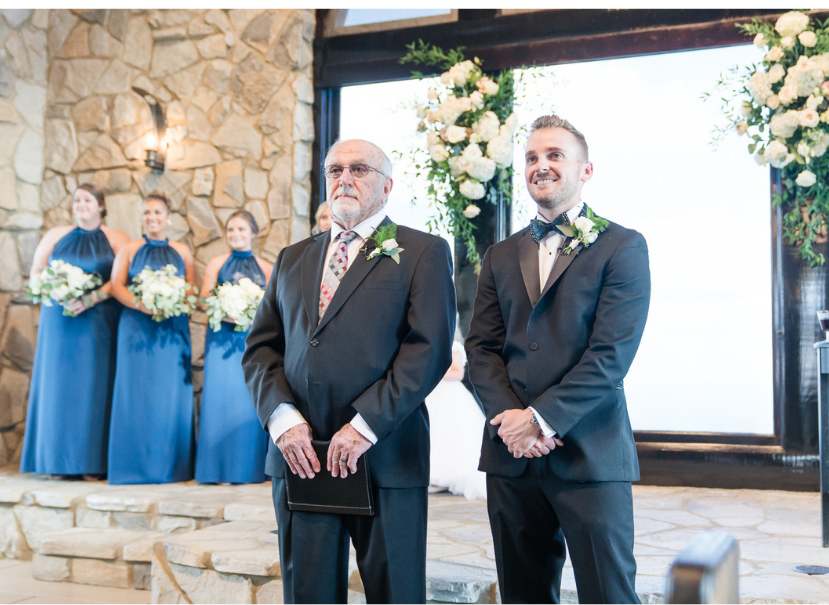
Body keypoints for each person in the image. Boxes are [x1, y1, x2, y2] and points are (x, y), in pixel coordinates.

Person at [243, 136, 456, 604]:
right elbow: (261, 349)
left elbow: (429, 350)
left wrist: (364, 426)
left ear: (387, 186)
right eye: (335, 170)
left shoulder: (423, 251)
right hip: (302, 457)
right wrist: (282, 421)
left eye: (358, 170)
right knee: (308, 594)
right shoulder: (293, 257)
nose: (344, 178)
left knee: (394, 593)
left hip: (384, 455)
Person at [466, 114, 651, 605]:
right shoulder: (500, 255)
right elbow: (480, 348)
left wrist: (541, 421)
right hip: (511, 458)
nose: (540, 166)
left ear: (585, 170)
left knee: (608, 596)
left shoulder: (623, 246)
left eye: (554, 156)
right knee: (522, 597)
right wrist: (510, 420)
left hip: (589, 453)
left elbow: (610, 357)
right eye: (531, 158)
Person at [21, 184, 128, 478]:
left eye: (87, 199)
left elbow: (121, 277)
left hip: (97, 321)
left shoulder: (116, 238)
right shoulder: (55, 235)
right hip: (59, 322)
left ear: (101, 206)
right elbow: (37, 271)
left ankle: (92, 464)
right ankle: (56, 462)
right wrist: (56, 290)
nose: (81, 204)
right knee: (58, 388)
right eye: (77, 199)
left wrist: (91, 297)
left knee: (95, 386)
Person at [108, 193, 196, 484]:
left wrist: (171, 301)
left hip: (171, 330)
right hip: (136, 328)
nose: (152, 217)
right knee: (136, 392)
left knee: (168, 395)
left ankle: (170, 467)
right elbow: (117, 286)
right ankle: (131, 466)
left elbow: (191, 291)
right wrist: (143, 303)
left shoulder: (182, 251)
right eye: (146, 213)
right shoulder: (130, 249)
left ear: (168, 216)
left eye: (157, 212)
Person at [196, 209, 273, 484]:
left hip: (249, 341)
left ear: (252, 232)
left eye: (241, 229)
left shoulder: (266, 268)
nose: (235, 235)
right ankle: (214, 470)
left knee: (246, 399)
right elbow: (204, 298)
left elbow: (273, 307)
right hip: (220, 338)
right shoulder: (217, 263)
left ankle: (246, 469)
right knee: (218, 398)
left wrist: (250, 312)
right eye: (231, 230)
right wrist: (226, 306)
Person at [426, 332, 486, 501]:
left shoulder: (454, 347)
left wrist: (434, 374)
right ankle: (433, 476)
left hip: (449, 393)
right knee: (434, 432)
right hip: (435, 393)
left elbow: (458, 373)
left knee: (450, 431)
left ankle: (448, 477)